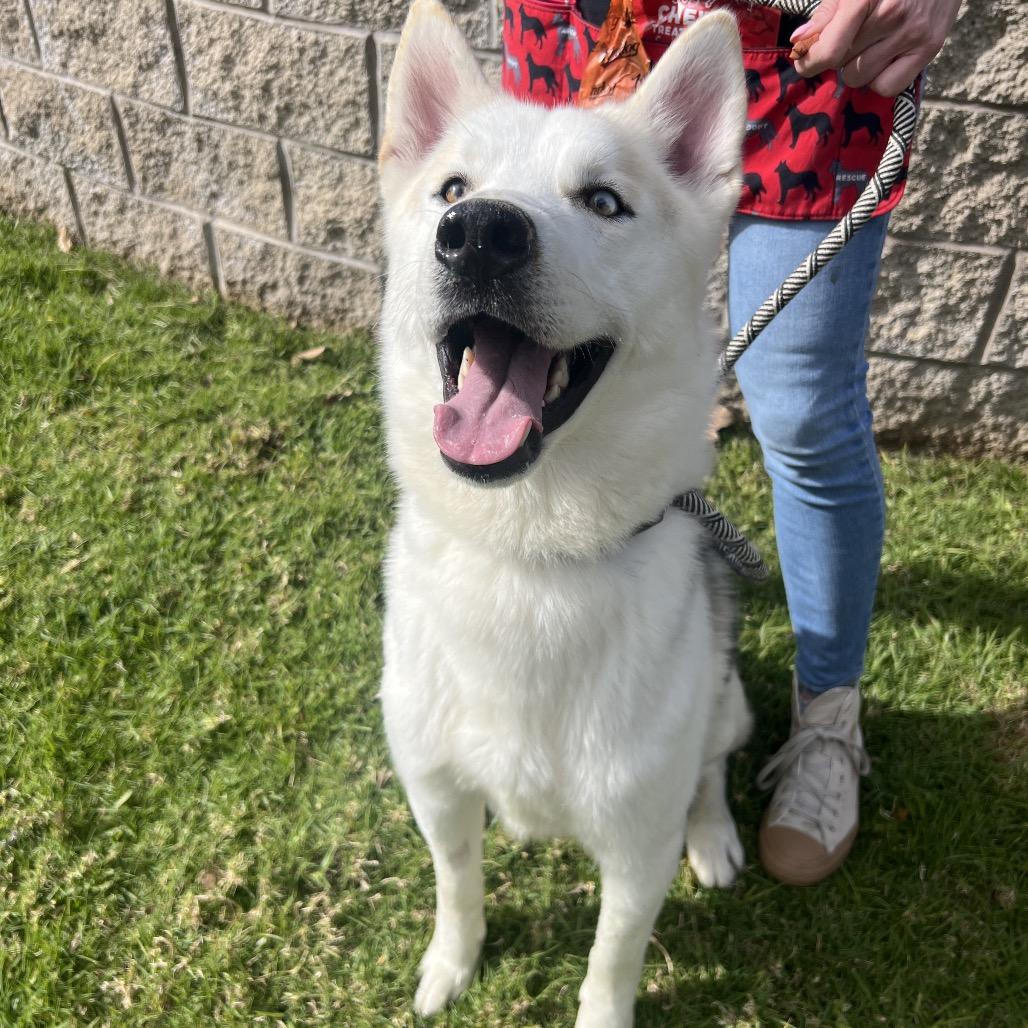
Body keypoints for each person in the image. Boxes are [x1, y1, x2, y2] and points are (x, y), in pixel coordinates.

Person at [502, 0, 962, 885]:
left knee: (802, 412)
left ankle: (827, 713)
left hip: (812, 53)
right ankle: (551, 679)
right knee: (544, 365)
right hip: (587, 27)